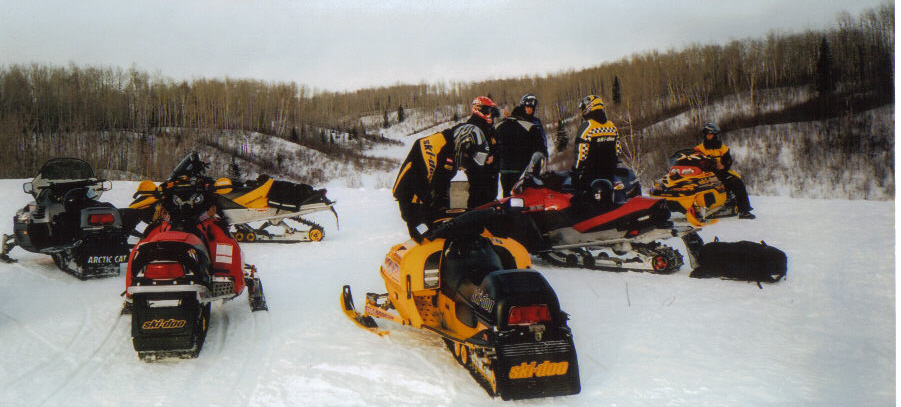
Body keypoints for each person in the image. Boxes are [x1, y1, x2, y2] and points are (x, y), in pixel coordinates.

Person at [392, 124, 490, 242]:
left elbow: (441, 182)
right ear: (462, 145)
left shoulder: (451, 149)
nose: (466, 163)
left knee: (457, 226)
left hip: (428, 196)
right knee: (427, 236)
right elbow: (416, 184)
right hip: (412, 199)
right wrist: (418, 221)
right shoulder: (433, 146)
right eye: (467, 156)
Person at [694, 122, 755, 219]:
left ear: (715, 135)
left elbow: (728, 160)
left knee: (737, 183)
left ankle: (744, 211)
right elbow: (697, 162)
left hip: (721, 172)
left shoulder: (723, 148)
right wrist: (711, 164)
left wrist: (724, 165)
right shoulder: (699, 149)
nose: (708, 137)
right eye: (707, 135)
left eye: (711, 134)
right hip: (705, 174)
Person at [496, 94, 548, 197]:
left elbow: (542, 141)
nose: (529, 110)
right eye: (527, 108)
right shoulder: (516, 123)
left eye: (531, 108)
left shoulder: (535, 122)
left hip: (529, 163)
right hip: (517, 166)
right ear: (522, 107)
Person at [455, 96, 501, 208]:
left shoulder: (488, 126)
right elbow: (465, 149)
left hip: (490, 170)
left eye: (491, 112)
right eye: (487, 110)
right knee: (477, 196)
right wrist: (485, 158)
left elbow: (495, 144)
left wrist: (494, 156)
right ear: (479, 109)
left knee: (489, 196)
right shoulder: (472, 126)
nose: (490, 115)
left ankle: (487, 220)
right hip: (477, 169)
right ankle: (474, 221)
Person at [571, 95, 620, 194]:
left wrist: (575, 173)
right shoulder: (612, 127)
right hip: (609, 176)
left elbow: (581, 155)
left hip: (590, 178)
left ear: (589, 107)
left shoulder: (587, 127)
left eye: (583, 108)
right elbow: (618, 151)